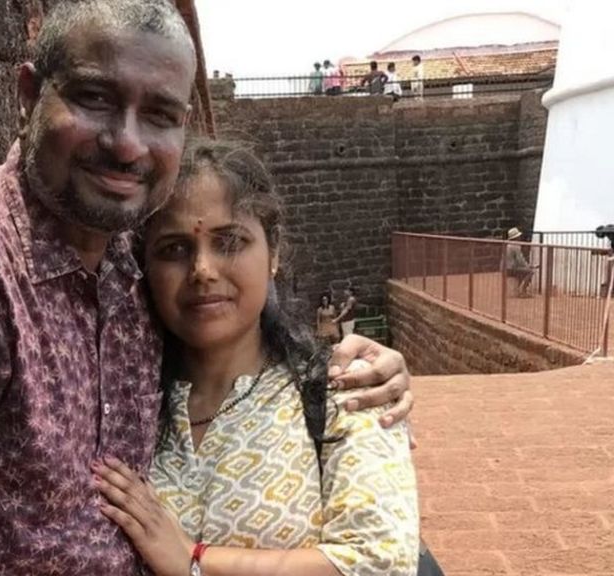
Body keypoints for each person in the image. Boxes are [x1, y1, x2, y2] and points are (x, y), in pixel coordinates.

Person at [0, 2, 415, 574]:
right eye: (94, 98)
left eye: (160, 114)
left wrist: (365, 367)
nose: (128, 144)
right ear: (29, 96)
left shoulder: (130, 262)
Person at [93, 140, 419, 576]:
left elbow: (381, 561)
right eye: (173, 249)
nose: (202, 269)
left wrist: (193, 560)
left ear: (274, 252)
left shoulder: (344, 391)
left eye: (230, 242)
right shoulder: (118, 407)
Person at [505, 227, 535, 297]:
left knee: (522, 271)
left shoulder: (508, 245)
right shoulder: (515, 246)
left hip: (506, 268)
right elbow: (520, 260)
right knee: (530, 272)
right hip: (511, 268)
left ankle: (518, 289)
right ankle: (523, 291)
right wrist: (528, 266)